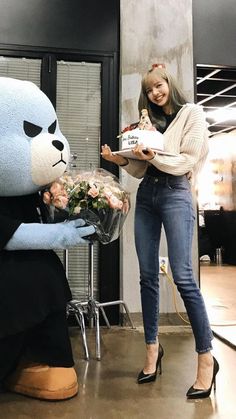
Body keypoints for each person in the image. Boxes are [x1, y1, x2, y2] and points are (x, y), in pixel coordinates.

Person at [101, 66, 219, 399]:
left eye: (159, 85)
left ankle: (206, 359)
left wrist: (155, 157)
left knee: (183, 276)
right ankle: (152, 350)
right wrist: (120, 160)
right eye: (150, 89)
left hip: (177, 193)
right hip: (149, 195)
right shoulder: (147, 123)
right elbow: (142, 167)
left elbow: (185, 160)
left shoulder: (191, 114)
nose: (155, 92)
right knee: (147, 276)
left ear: (169, 83)